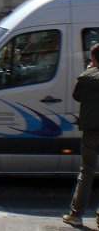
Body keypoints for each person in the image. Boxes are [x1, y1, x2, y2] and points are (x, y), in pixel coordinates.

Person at [62, 43, 99, 228]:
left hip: (92, 131)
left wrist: (87, 72)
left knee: (87, 171)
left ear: (93, 59)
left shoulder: (87, 77)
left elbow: (77, 96)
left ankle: (76, 214)